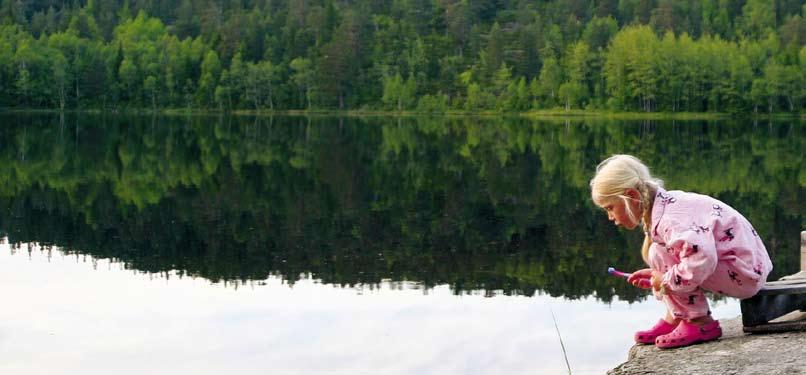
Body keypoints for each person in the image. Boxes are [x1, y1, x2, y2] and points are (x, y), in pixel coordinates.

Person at [589, 154, 773, 349]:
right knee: (657, 253)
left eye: (610, 208)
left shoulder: (670, 220)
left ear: (632, 196)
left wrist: (667, 280)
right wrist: (659, 277)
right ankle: (677, 317)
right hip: (742, 266)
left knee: (662, 255)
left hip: (744, 273)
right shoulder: (665, 205)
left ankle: (699, 322)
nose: (609, 216)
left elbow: (703, 257)